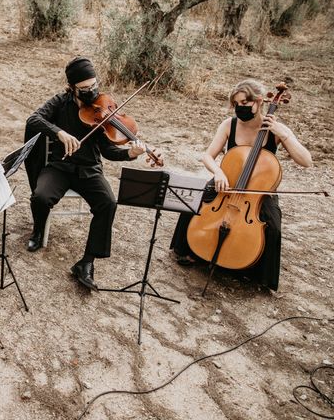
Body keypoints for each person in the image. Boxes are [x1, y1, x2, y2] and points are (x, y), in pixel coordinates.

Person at [170, 79, 312, 290]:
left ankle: (251, 268)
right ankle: (191, 250)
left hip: (259, 190)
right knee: (195, 201)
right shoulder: (229, 124)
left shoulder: (275, 130)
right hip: (227, 182)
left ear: (260, 102)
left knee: (272, 227)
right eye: (236, 104)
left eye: (245, 102)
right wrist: (218, 172)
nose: (240, 108)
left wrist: (284, 134)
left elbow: (306, 161)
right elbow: (208, 156)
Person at [25, 56, 148, 291]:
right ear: (72, 87)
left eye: (94, 85)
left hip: (90, 170)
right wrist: (59, 132)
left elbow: (109, 151)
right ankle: (38, 230)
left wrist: (130, 155)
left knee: (108, 203)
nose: (91, 91)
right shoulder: (60, 102)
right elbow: (34, 119)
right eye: (84, 88)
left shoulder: (104, 107)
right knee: (40, 197)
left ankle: (87, 262)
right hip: (60, 167)